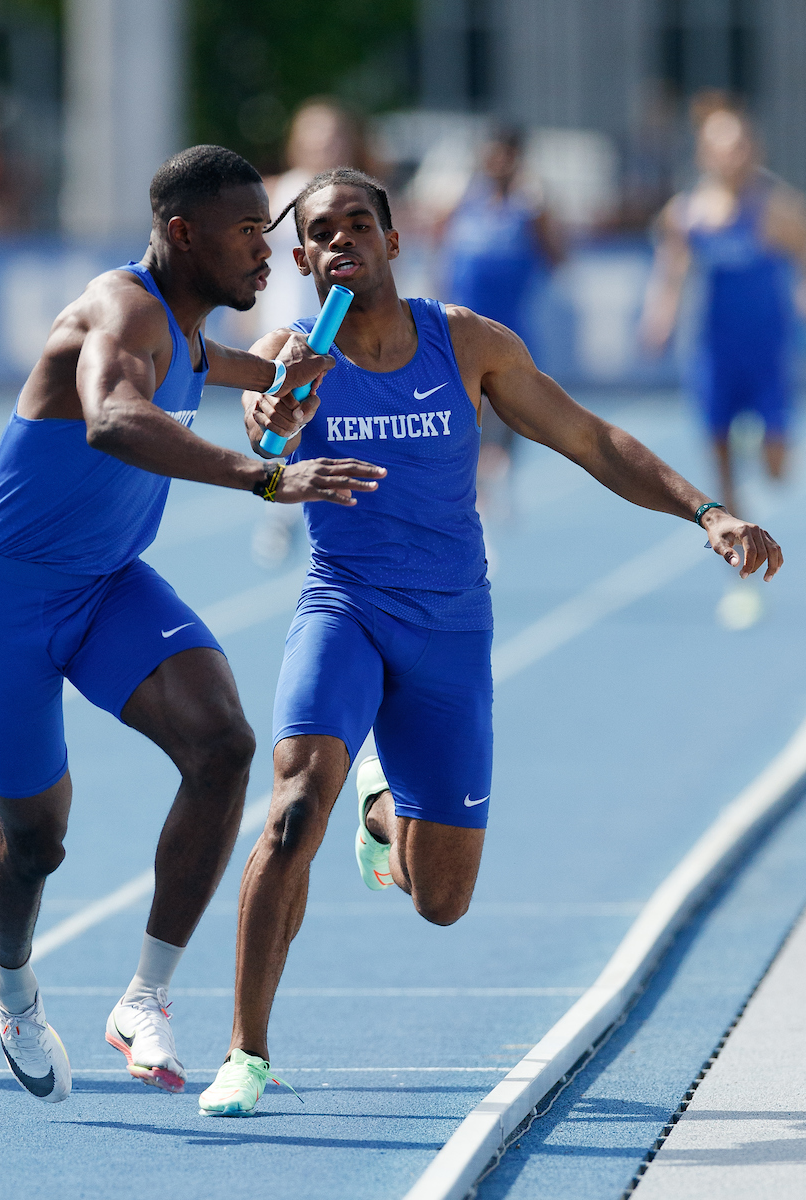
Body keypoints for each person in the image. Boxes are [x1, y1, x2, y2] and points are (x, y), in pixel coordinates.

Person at [196, 167, 783, 1116]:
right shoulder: (289, 353)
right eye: (321, 233)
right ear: (300, 259)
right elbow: (264, 440)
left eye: (359, 225)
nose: (341, 241)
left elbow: (589, 439)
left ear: (393, 241)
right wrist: (280, 409)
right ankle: (246, 1053)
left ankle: (381, 806)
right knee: (295, 803)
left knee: (441, 899)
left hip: (452, 630)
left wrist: (706, 511)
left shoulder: (465, 343)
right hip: (342, 605)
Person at [0, 145, 384, 1105]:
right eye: (245, 234)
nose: (266, 254)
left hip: (105, 588)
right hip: (3, 603)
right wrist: (265, 474)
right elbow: (114, 417)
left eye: (270, 233)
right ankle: (11, 983)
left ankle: (145, 998)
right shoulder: (120, 307)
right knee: (36, 846)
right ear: (182, 234)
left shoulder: (180, 328)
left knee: (222, 747)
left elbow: (224, 367)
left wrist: (276, 374)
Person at [641, 108, 806, 628]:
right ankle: (743, 568)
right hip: (714, 355)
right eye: (720, 147)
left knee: (779, 470)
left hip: (766, 354)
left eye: (739, 146)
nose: (730, 157)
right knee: (722, 472)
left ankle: (763, 440)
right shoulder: (686, 213)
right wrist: (659, 317)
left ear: (752, 151)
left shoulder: (774, 209)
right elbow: (670, 273)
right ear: (704, 154)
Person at [251, 98, 364, 568]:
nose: (325, 145)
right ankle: (278, 510)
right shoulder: (278, 195)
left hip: (339, 331)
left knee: (336, 427)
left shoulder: (357, 198)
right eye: (315, 135)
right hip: (286, 333)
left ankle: (343, 519)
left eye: (333, 136)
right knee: (278, 428)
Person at [439, 128, 563, 521]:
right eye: (491, 155)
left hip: (510, 324)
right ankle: (475, 479)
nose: (497, 163)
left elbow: (556, 257)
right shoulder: (464, 202)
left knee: (512, 404)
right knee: (466, 403)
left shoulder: (529, 208)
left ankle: (500, 469)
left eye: (505, 156)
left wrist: (544, 214)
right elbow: (443, 252)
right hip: (463, 325)